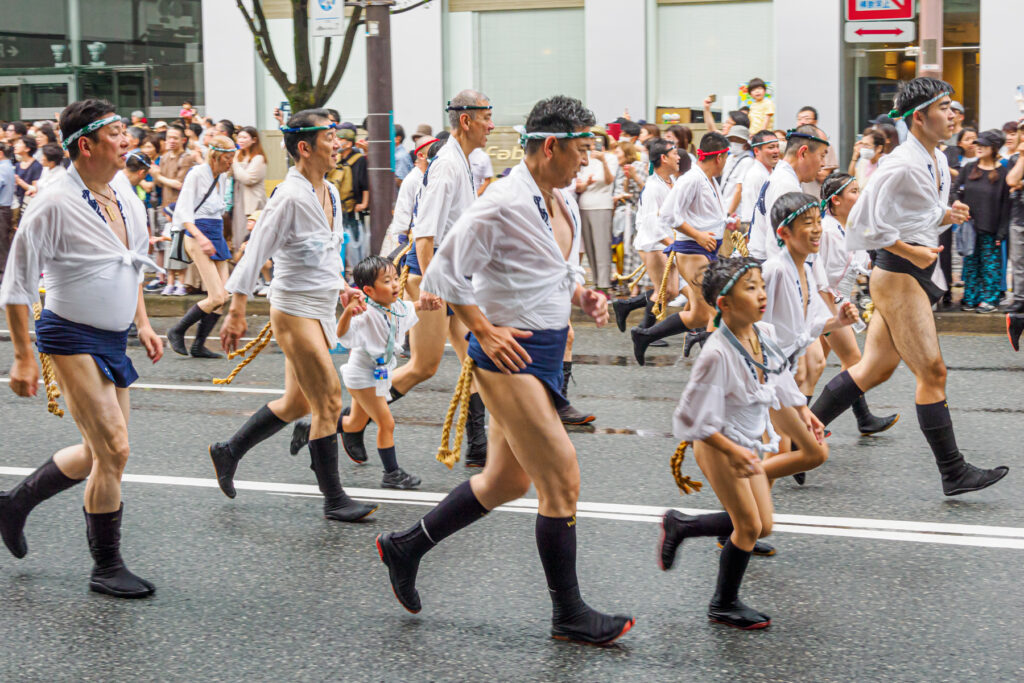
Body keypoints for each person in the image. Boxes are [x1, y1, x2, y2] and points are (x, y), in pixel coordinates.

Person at [375, 95, 634, 646]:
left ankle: (406, 546)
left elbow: (546, 271)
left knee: (506, 480)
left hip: (541, 352)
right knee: (561, 480)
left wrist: (581, 294)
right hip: (508, 356)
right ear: (549, 147)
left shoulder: (553, 196)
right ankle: (569, 614)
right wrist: (482, 330)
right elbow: (441, 271)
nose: (586, 161)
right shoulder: (502, 201)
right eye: (581, 149)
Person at [811, 77, 1009, 496]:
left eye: (954, 107)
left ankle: (799, 436)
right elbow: (861, 225)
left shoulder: (935, 157)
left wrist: (945, 215)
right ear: (920, 117)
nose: (954, 115)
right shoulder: (900, 163)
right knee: (932, 372)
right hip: (899, 273)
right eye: (945, 108)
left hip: (909, 271)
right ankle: (953, 471)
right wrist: (909, 249)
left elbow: (913, 212)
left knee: (874, 369)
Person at [0, 99, 164, 597]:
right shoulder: (52, 201)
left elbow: (131, 264)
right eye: (115, 133)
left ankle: (14, 504)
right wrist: (24, 355)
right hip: (69, 336)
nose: (126, 139)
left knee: (101, 453)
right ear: (86, 145)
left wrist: (144, 322)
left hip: (114, 338)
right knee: (115, 449)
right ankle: (105, 567)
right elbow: (16, 285)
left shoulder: (125, 196)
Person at [212, 109, 377, 523]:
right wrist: (235, 311)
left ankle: (228, 451)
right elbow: (255, 252)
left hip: (320, 306)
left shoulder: (331, 192)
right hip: (292, 307)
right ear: (305, 147)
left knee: (297, 401)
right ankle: (334, 498)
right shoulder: (288, 196)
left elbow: (326, 250)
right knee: (329, 400)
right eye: (329, 137)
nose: (337, 143)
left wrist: (342, 286)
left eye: (337, 136)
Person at [657, 256, 825, 630]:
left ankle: (682, 525)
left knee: (762, 525)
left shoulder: (759, 332)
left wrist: (803, 410)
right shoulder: (717, 354)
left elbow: (779, 378)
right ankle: (723, 604)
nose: (763, 294)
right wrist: (733, 452)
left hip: (745, 444)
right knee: (747, 527)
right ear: (725, 305)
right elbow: (688, 419)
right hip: (719, 446)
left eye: (761, 285)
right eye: (751, 288)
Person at [350, 89, 494, 468]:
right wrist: (431, 287)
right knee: (423, 367)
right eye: (486, 118)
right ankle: (351, 423)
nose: (491, 126)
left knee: (475, 358)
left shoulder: (462, 161)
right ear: (466, 121)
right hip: (431, 277)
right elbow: (425, 234)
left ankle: (478, 445)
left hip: (456, 277)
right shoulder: (446, 165)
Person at [630, 132, 731, 364]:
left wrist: (726, 223)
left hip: (705, 248)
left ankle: (645, 335)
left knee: (699, 314)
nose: (727, 162)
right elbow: (666, 215)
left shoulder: (710, 180)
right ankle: (714, 366)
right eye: (726, 157)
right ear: (719, 157)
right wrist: (696, 234)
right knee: (717, 307)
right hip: (692, 251)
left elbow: (705, 214)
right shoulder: (691, 179)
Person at [814, 172, 899, 435]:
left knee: (813, 367)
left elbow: (863, 266)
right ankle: (813, 424)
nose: (859, 195)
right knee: (853, 360)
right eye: (854, 191)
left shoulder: (852, 227)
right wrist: (832, 311)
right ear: (836, 201)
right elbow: (817, 277)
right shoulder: (826, 231)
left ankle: (860, 419)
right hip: (825, 302)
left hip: (841, 302)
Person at [338, 255, 422, 489]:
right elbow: (343, 336)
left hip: (377, 374)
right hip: (361, 377)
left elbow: (410, 307)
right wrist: (347, 313)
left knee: (355, 423)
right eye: (387, 281)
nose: (395, 284)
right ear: (369, 290)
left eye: (395, 278)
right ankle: (392, 474)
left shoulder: (394, 307)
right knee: (387, 423)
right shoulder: (365, 314)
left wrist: (426, 303)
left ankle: (313, 431)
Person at [165, 136, 236, 358]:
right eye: (227, 158)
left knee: (224, 296)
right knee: (215, 296)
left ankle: (198, 345)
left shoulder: (222, 176)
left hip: (215, 232)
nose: (230, 163)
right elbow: (184, 211)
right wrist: (200, 237)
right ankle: (176, 330)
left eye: (233, 158)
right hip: (196, 233)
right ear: (215, 156)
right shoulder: (196, 174)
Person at [613, 139, 679, 333]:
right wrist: (671, 243)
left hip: (665, 241)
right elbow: (651, 223)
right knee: (663, 291)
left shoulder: (670, 182)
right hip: (653, 242)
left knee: (671, 291)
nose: (678, 157)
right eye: (674, 154)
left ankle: (627, 306)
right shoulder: (653, 187)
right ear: (664, 158)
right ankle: (646, 332)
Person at [748, 124, 828, 262]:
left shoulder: (784, 177)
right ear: (803, 153)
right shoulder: (785, 184)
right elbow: (776, 244)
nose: (823, 163)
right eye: (821, 156)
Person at [955, 129, 1010, 313]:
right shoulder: (968, 169)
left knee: (991, 266)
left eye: (983, 145)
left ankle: (990, 300)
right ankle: (971, 298)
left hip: (992, 228)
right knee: (970, 264)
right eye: (977, 144)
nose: (978, 148)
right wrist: (958, 205)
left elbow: (1005, 205)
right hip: (969, 227)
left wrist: (1002, 232)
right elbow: (955, 192)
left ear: (994, 148)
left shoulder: (1003, 173)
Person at [151, 125, 198, 295]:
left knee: (178, 248)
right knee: (164, 247)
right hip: (165, 209)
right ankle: (166, 280)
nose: (171, 141)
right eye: (169, 137)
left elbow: (179, 184)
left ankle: (180, 283)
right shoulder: (163, 157)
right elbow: (158, 183)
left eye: (175, 138)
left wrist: (158, 176)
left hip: (179, 210)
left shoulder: (186, 158)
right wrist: (157, 178)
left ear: (183, 140)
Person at [576, 127, 618, 291]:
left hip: (602, 204)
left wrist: (603, 161)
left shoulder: (610, 158)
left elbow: (609, 180)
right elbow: (577, 184)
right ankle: (595, 282)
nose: (594, 142)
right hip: (583, 204)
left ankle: (604, 285)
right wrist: (585, 184)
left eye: (597, 139)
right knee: (590, 248)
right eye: (591, 139)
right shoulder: (582, 158)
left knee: (602, 246)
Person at [330, 128, 370, 269]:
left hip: (354, 204)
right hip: (340, 205)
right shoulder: (338, 158)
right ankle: (348, 267)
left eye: (341, 140)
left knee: (356, 238)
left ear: (349, 143)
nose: (338, 143)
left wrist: (364, 203)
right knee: (344, 237)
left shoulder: (358, 159)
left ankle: (358, 267)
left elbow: (364, 182)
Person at [230, 126, 267, 254]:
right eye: (239, 137)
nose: (241, 140)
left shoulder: (259, 159)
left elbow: (247, 179)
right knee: (238, 237)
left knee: (251, 240)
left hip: (252, 205)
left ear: (254, 140)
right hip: (238, 202)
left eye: (245, 137)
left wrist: (234, 161)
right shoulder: (239, 156)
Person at [739, 131, 779, 232]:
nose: (776, 151)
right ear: (756, 151)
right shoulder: (756, 175)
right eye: (771, 147)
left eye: (777, 146)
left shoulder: (771, 172)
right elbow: (750, 215)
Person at [1005, 124, 1024, 316]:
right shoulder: (1015, 158)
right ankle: (1019, 300)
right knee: (1018, 262)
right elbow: (1011, 181)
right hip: (1018, 217)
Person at [12, 135, 42, 225]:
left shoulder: (36, 166)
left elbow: (35, 188)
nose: (15, 145)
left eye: (19, 143)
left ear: (27, 148)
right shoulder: (17, 165)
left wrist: (19, 181)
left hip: (28, 205)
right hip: (17, 202)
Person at [0, 143, 14, 282]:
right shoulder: (8, 165)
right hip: (5, 209)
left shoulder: (2, 168)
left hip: (2, 210)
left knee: (2, 244)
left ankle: (4, 277)